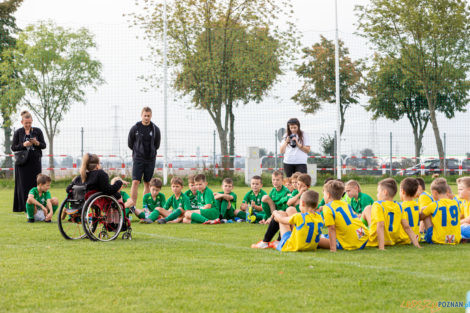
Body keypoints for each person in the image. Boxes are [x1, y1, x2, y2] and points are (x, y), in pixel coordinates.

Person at [251, 173, 310, 249]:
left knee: (287, 211)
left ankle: (274, 241)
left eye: (302, 185)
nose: (298, 187)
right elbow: (289, 202)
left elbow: (288, 204)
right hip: (300, 227)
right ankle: (270, 241)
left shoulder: (307, 195)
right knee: (282, 212)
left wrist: (275, 214)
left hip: (298, 233)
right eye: (297, 184)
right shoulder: (295, 192)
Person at [362, 178, 420, 250]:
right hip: (391, 241)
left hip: (374, 241)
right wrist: (417, 245)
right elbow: (407, 227)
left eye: (378, 192)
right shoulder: (399, 206)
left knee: (367, 209)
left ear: (385, 192)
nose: (377, 195)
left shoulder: (378, 205)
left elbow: (380, 226)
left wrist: (381, 247)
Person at [11, 111, 47, 213]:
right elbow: (13, 147)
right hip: (22, 163)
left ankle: (37, 206)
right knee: (22, 185)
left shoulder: (38, 131)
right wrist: (23, 145)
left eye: (29, 123)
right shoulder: (18, 132)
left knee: (35, 184)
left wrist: (36, 143)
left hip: (35, 161)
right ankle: (23, 207)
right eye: (26, 123)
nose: (28, 125)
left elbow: (44, 145)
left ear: (32, 121)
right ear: (22, 122)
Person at [322, 180, 369, 251]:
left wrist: (333, 249)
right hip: (363, 239)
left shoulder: (327, 207)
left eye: (324, 194)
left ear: (328, 195)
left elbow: (331, 228)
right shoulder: (345, 204)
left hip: (349, 242)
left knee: (316, 239)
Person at [128, 107, 161, 208]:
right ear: (141, 115)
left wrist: (151, 152)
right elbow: (130, 143)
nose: (146, 117)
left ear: (151, 116)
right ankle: (132, 206)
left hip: (150, 159)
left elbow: (157, 145)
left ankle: (145, 207)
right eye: (145, 115)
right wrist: (137, 152)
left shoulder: (155, 129)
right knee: (135, 182)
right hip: (138, 159)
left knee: (147, 183)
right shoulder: (135, 128)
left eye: (148, 116)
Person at [420, 178, 462, 245]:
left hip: (439, 239)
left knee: (426, 213)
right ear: (446, 190)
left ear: (435, 193)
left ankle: (426, 236)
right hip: (455, 239)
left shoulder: (434, 204)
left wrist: (423, 209)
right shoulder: (456, 203)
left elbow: (420, 217)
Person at [398, 178, 420, 244]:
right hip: (416, 238)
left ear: (403, 191)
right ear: (416, 193)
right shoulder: (417, 205)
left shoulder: (400, 206)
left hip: (404, 239)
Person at [457, 177, 470, 242]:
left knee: (460, 228)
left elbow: (468, 220)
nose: (458, 192)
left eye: (461, 189)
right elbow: (459, 216)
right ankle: (464, 238)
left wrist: (455, 224)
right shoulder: (464, 202)